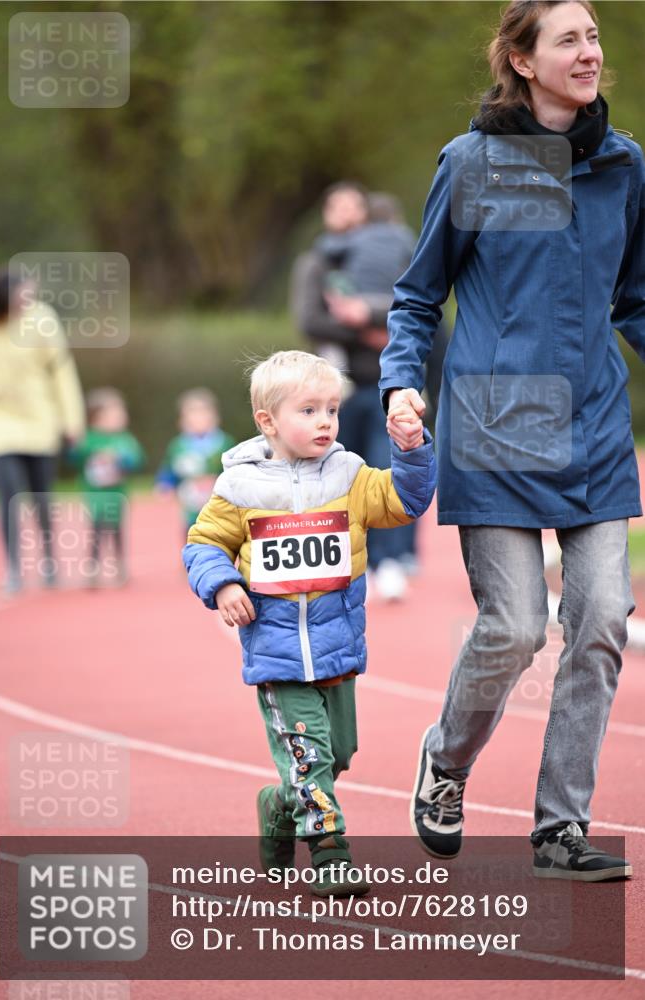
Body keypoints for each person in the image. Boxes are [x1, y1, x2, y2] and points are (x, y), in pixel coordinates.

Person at [381, 0, 643, 881]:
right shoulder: (471, 163)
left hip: (594, 426)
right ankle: (446, 762)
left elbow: (635, 298)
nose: (588, 51)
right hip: (495, 424)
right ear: (523, 61)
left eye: (593, 36)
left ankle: (559, 826)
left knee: (600, 620)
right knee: (517, 625)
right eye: (568, 39)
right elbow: (417, 296)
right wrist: (401, 382)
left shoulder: (622, 165)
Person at [183, 350, 436, 894]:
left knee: (336, 754)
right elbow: (203, 543)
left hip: (336, 647)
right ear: (268, 421)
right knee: (310, 755)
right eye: (308, 411)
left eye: (332, 410)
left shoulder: (350, 475)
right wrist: (223, 584)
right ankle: (329, 851)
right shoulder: (240, 486)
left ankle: (278, 806)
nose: (325, 421)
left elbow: (406, 501)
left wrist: (412, 448)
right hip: (276, 653)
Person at [291, 183, 432, 599]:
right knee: (334, 476)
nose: (347, 213)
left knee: (385, 468)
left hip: (385, 384)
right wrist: (366, 332)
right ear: (325, 213)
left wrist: (368, 314)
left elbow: (415, 305)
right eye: (338, 206)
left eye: (354, 206)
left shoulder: (388, 256)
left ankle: (389, 561)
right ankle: (348, 563)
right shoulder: (316, 262)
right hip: (335, 392)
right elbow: (309, 319)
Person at [0, 266, 85, 592]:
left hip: (40, 420)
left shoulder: (42, 318)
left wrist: (72, 420)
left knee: (41, 497)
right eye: (21, 294)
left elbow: (61, 370)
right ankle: (14, 568)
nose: (28, 300)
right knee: (9, 494)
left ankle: (49, 561)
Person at [68, 388, 145, 586]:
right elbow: (74, 459)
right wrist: (75, 446)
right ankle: (93, 569)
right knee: (96, 529)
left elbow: (137, 460)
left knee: (117, 529)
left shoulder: (124, 440)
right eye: (113, 415)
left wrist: (119, 458)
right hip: (95, 495)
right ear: (97, 418)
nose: (120, 418)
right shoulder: (89, 439)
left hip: (117, 494)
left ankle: (119, 565)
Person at [156, 388, 234, 536]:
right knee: (191, 537)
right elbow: (169, 469)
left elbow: (233, 472)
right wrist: (165, 484)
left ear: (214, 417)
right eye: (193, 413)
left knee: (218, 539)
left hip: (218, 509)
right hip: (191, 510)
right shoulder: (178, 446)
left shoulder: (224, 443)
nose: (198, 418)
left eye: (203, 413)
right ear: (182, 420)